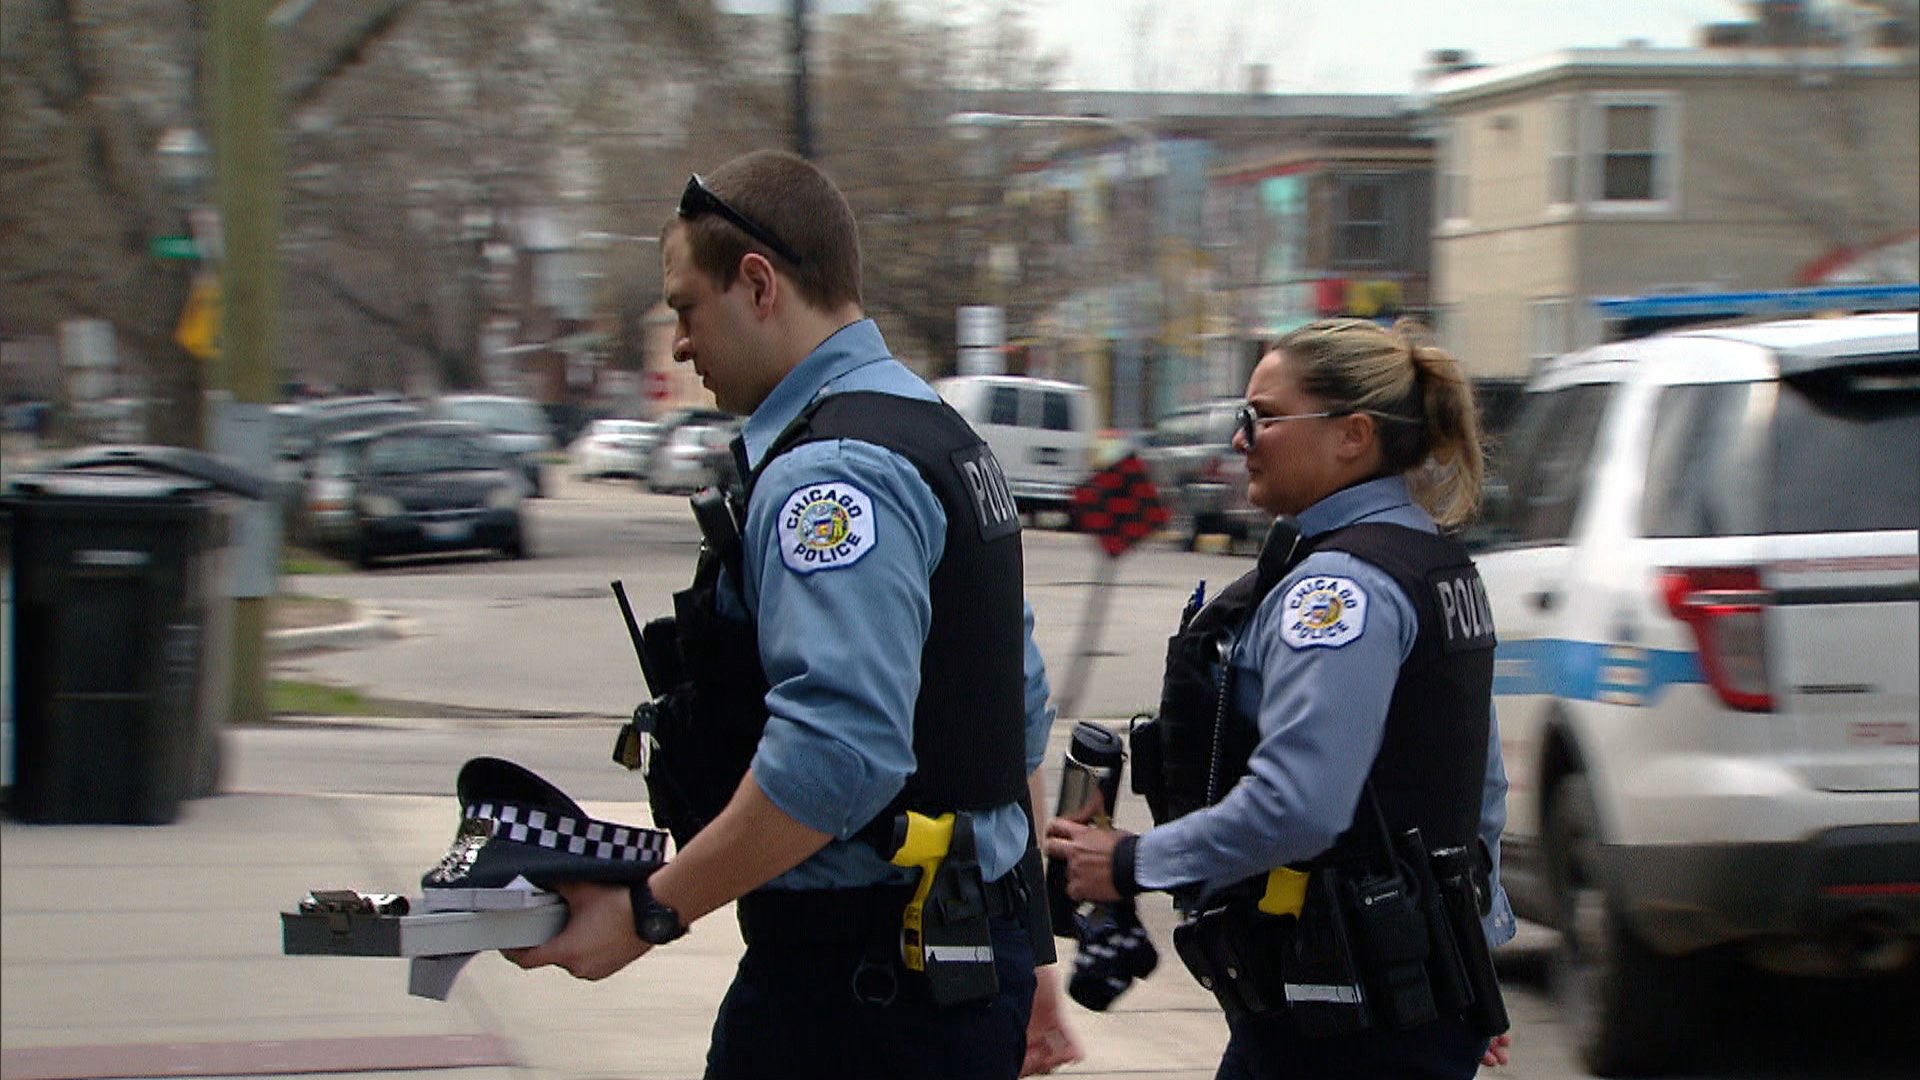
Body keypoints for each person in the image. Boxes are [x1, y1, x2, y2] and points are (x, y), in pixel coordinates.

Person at [505, 149, 1082, 1080]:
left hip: (856, 997)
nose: (681, 342)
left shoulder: (834, 473)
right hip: (947, 972)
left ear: (759, 284)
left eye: (686, 309)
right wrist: (1025, 956)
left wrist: (651, 912)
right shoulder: (940, 435)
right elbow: (1011, 726)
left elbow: (839, 755)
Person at [1045, 318, 1516, 1079]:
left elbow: (1300, 804)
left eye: (1261, 418)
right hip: (1398, 1008)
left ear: (1351, 435)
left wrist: (1132, 860)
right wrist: (1469, 973)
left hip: (1339, 1024)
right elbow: (1478, 793)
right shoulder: (1435, 563)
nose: (1241, 439)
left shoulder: (1340, 590)